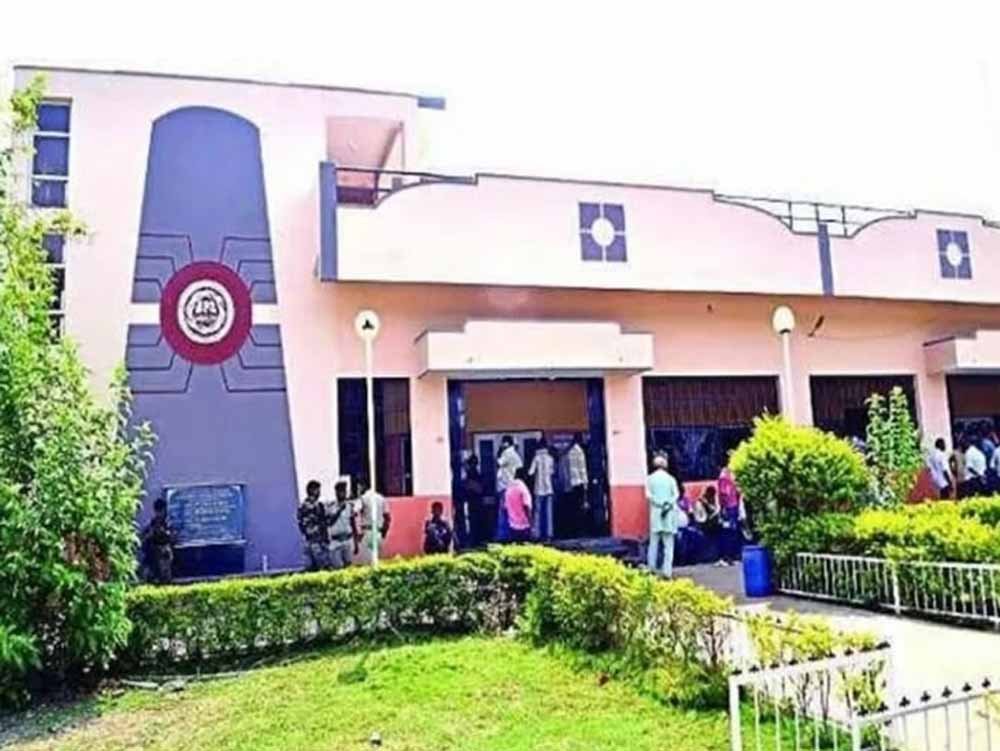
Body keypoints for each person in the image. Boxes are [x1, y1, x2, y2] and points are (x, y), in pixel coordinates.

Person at [646, 453, 680, 578]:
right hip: (668, 513)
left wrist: (658, 503)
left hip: (656, 512)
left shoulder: (650, 479)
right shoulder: (670, 479)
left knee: (653, 543)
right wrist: (667, 503)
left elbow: (648, 495)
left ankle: (651, 568)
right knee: (668, 545)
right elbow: (676, 495)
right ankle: (667, 571)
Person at [355, 478, 391, 564]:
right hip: (378, 532)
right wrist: (384, 532)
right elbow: (388, 517)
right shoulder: (381, 498)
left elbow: (355, 512)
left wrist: (358, 532)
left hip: (367, 532)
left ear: (363, 486)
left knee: (367, 562)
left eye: (359, 487)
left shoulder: (363, 498)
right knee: (378, 561)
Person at [141, 496, 176, 584]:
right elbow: (143, 539)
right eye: (159, 511)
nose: (160, 513)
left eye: (161, 511)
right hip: (152, 555)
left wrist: (165, 533)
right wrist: (150, 534)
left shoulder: (167, 523)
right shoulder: (151, 524)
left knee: (165, 576)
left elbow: (173, 538)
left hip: (164, 554)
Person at [297, 480, 330, 571]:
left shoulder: (301, 506)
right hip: (318, 541)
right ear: (312, 490)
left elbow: (300, 524)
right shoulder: (317, 506)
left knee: (310, 569)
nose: (319, 492)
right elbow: (324, 522)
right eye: (318, 490)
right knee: (323, 567)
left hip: (308, 540)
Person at [528, 436, 556, 541]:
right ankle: (549, 534)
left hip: (538, 488)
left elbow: (530, 472)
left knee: (538, 512)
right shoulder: (550, 459)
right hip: (549, 488)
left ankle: (537, 534)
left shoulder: (536, 458)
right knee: (548, 512)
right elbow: (552, 472)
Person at [325, 480, 357, 569]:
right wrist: (339, 510)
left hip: (347, 540)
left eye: (344, 491)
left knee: (349, 567)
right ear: (336, 492)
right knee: (337, 567)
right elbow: (329, 522)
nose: (343, 493)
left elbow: (353, 524)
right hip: (336, 541)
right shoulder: (331, 506)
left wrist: (356, 542)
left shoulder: (349, 506)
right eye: (340, 491)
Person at [495, 436, 522, 541]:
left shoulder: (507, 453)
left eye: (503, 443)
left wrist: (499, 451)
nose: (501, 444)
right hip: (512, 485)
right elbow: (520, 467)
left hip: (505, 485)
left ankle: (503, 536)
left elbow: (498, 462)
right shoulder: (515, 454)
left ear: (506, 443)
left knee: (503, 511)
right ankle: (512, 534)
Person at [566, 433, 589, 538]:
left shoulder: (569, 452)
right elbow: (582, 469)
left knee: (573, 509)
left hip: (571, 484)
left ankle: (574, 531)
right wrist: (586, 484)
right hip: (579, 483)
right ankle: (581, 531)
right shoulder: (579, 452)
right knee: (581, 509)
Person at [461, 454, 487, 546]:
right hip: (473, 502)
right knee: (473, 522)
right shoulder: (472, 474)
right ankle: (475, 540)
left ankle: (475, 541)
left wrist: (470, 485)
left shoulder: (474, 475)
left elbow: (479, 489)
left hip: (475, 502)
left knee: (474, 522)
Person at [504, 467, 534, 543]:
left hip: (512, 525)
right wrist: (531, 522)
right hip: (524, 525)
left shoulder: (509, 488)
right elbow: (526, 506)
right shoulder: (523, 488)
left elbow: (505, 507)